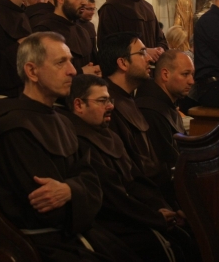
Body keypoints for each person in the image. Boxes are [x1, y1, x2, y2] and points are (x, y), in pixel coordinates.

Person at [0, 32, 140, 262]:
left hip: (74, 234)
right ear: (32, 71)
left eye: (70, 61)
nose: (72, 71)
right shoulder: (15, 129)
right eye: (61, 63)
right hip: (43, 246)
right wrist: (80, 189)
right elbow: (47, 209)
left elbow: (93, 182)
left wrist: (70, 190)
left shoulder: (64, 121)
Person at [65, 74, 198, 262]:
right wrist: (155, 218)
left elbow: (137, 180)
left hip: (136, 213)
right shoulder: (78, 142)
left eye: (109, 100)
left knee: (188, 235)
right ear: (79, 105)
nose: (110, 106)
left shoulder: (109, 135)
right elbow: (112, 197)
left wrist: (161, 207)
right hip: (112, 222)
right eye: (102, 101)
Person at [98, 32, 163, 184]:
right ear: (123, 63)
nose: (149, 58)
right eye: (142, 53)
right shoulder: (108, 106)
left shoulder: (126, 97)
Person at [135, 50, 194, 205]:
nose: (191, 81)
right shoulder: (151, 111)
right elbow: (163, 169)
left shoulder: (166, 105)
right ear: (165, 74)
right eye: (185, 74)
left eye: (192, 74)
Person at [32, 0, 100, 75]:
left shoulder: (83, 31)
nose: (85, 2)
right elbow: (42, 74)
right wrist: (81, 72)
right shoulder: (44, 30)